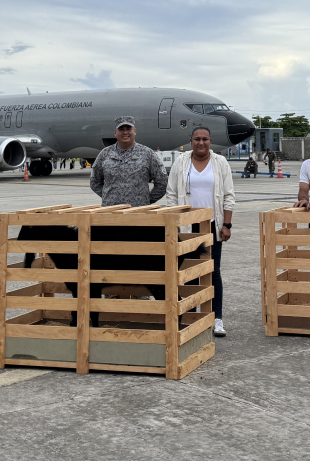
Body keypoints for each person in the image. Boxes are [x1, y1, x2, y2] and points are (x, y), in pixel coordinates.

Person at [164, 125, 235, 337]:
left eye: (205, 139)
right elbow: (171, 194)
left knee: (214, 272)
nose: (201, 143)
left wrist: (227, 225)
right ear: (190, 141)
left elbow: (229, 196)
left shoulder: (220, 163)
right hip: (187, 226)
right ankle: (190, 315)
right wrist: (175, 221)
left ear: (210, 141)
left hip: (213, 224)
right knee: (188, 273)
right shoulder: (181, 162)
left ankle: (217, 318)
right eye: (197, 139)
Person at [90, 116, 167, 206]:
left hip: (138, 212)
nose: (125, 132)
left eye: (128, 129)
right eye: (121, 129)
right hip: (111, 211)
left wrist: (146, 200)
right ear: (115, 133)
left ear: (135, 131)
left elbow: (162, 182)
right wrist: (109, 197)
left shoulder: (147, 154)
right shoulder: (105, 154)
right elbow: (94, 182)